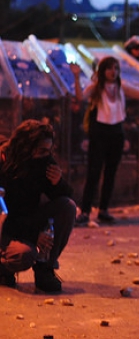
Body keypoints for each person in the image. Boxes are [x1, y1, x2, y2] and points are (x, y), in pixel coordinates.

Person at [70, 56, 139, 226]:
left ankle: (103, 209)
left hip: (116, 131)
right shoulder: (96, 87)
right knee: (93, 172)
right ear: (102, 71)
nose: (113, 72)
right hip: (99, 131)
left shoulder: (121, 87)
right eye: (110, 68)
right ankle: (85, 211)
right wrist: (76, 76)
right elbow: (80, 97)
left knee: (110, 173)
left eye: (116, 68)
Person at [0, 120, 76, 292]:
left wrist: (58, 183)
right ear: (27, 147)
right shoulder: (4, 161)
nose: (46, 155)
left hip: (28, 219)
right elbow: (4, 215)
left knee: (67, 206)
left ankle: (45, 268)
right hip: (5, 226)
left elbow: (65, 197)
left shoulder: (43, 161)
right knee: (23, 255)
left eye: (48, 151)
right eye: (42, 150)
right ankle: (3, 268)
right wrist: (34, 235)